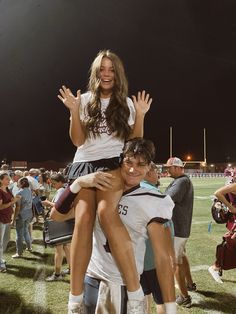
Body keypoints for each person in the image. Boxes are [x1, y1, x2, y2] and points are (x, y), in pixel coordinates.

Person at [51, 50, 152, 313]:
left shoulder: (127, 104)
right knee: (83, 220)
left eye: (111, 70)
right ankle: (74, 300)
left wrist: (140, 114)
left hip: (112, 165)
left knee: (107, 215)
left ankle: (135, 293)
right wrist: (74, 110)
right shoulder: (83, 100)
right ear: (95, 74)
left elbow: (132, 143)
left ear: (118, 75)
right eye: (101, 69)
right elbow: (77, 141)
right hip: (84, 165)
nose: (106, 74)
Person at [68, 138, 176, 314]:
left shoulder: (154, 200)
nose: (133, 169)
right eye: (128, 162)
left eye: (141, 164)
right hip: (90, 278)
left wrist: (171, 308)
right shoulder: (99, 187)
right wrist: (77, 184)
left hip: (120, 284)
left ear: (150, 167)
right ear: (120, 161)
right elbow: (57, 215)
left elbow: (163, 259)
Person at [140, 162, 175, 314]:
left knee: (142, 295)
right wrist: (171, 256)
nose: (158, 174)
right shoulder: (154, 195)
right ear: (148, 172)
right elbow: (166, 230)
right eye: (156, 171)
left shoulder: (132, 190)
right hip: (154, 259)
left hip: (137, 257)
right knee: (162, 301)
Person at [164, 157, 195, 308]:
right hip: (180, 227)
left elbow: (168, 198)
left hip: (178, 227)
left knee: (175, 262)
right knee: (181, 255)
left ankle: (185, 297)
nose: (166, 170)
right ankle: (189, 284)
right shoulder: (182, 180)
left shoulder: (182, 181)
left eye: (169, 167)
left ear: (177, 167)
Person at [42, 173, 71, 281]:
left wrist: (47, 203)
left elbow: (60, 206)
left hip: (59, 221)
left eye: (54, 183)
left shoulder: (61, 191)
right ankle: (70, 268)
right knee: (67, 247)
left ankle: (57, 274)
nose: (53, 185)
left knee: (58, 249)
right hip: (64, 221)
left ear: (60, 182)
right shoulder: (65, 189)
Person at [208, 176, 236, 283]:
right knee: (231, 242)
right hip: (234, 218)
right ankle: (216, 266)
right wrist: (230, 207)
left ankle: (217, 266)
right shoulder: (234, 185)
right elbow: (218, 193)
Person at [0, 172, 21, 272]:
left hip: (7, 218)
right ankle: (0, 263)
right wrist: (13, 202)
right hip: (1, 218)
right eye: (7, 179)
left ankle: (0, 258)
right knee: (0, 242)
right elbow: (1, 207)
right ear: (1, 180)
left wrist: (16, 198)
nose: (9, 181)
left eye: (9, 179)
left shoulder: (7, 189)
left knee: (6, 239)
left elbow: (12, 198)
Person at [11, 177, 33, 258]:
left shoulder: (19, 193)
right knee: (26, 231)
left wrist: (13, 220)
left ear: (22, 184)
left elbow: (17, 207)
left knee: (19, 234)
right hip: (29, 214)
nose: (17, 184)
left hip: (21, 215)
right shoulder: (29, 190)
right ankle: (29, 247)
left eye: (18, 182)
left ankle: (19, 253)